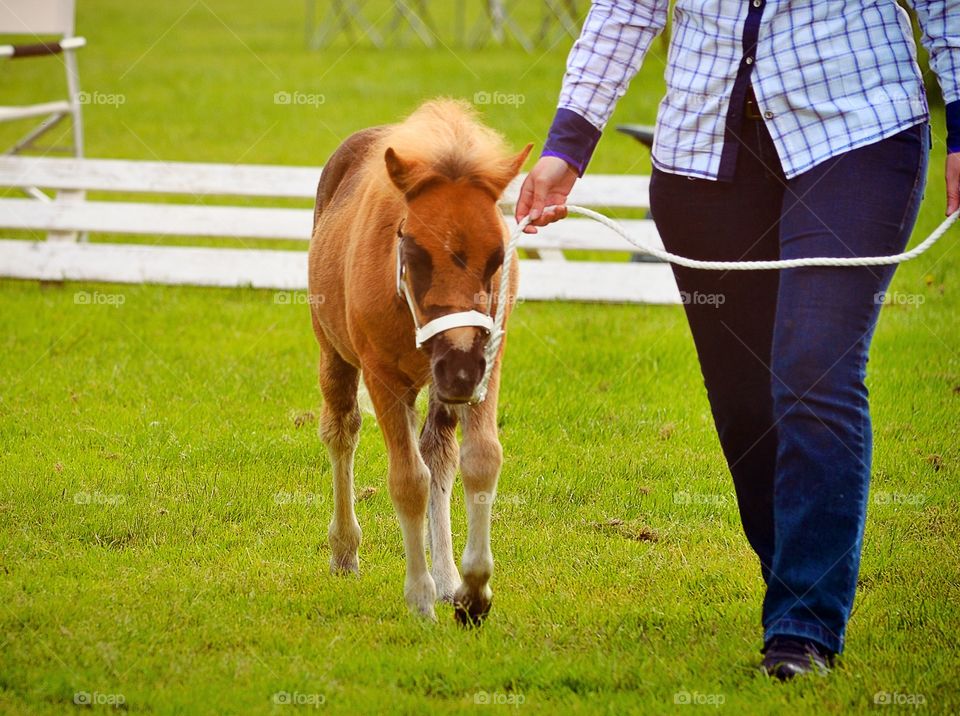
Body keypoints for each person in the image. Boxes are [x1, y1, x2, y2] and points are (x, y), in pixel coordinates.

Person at [516, 0, 959, 680]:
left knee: (814, 366)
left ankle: (802, 628)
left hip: (858, 135)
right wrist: (567, 145)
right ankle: (793, 572)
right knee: (745, 400)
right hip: (701, 157)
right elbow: (624, 8)